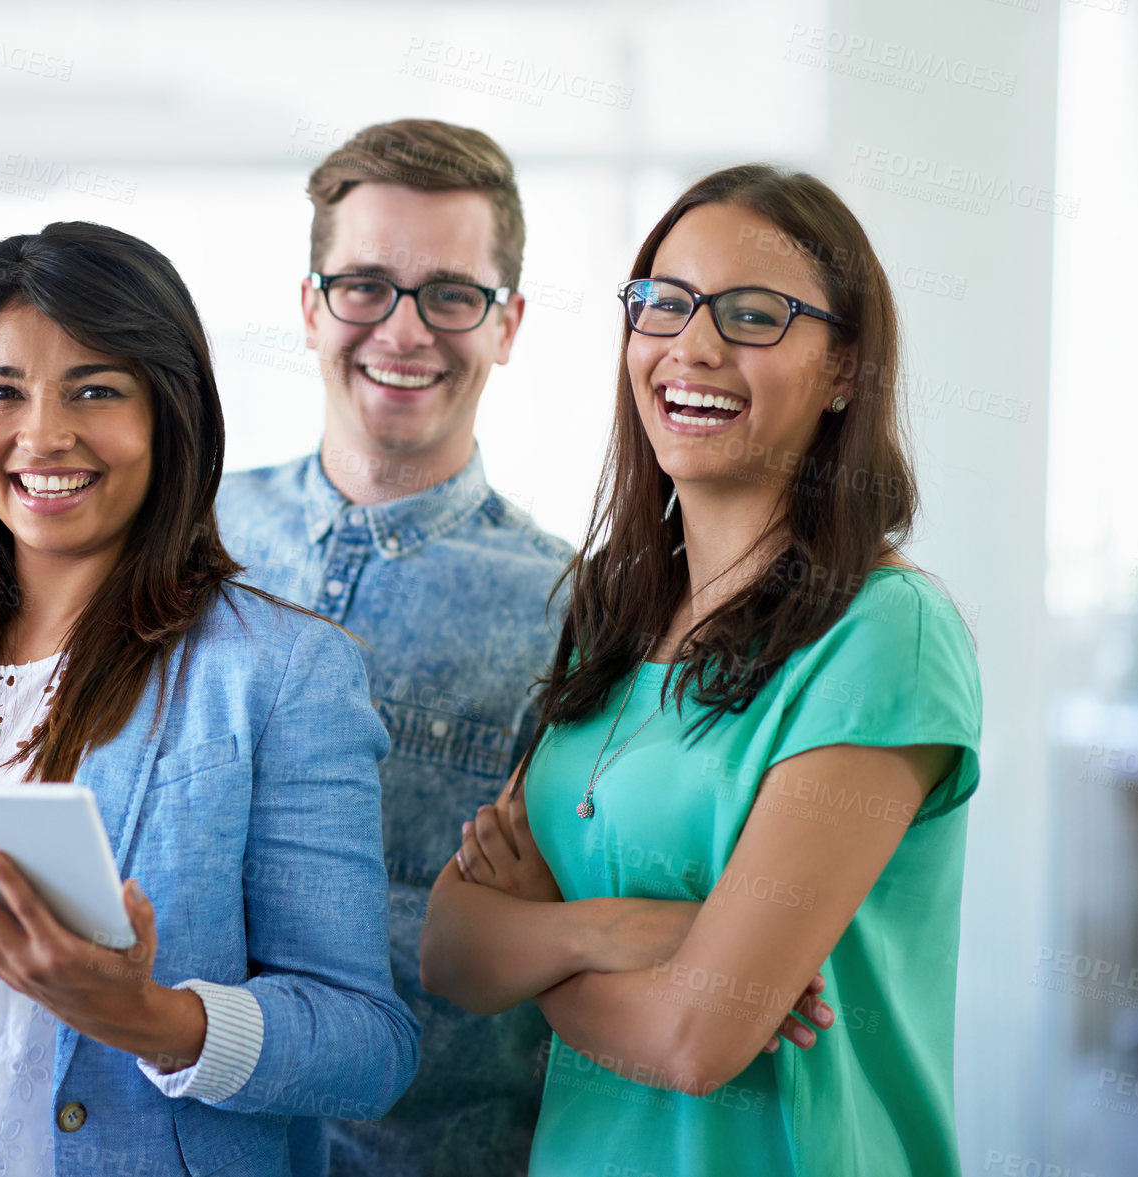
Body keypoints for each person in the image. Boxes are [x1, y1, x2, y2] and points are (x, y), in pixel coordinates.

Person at [0, 221, 419, 1177]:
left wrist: (150, 1019)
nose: (42, 435)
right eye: (1, 393)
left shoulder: (278, 672)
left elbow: (367, 1050)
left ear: (169, 412)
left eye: (93, 390)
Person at [420, 164, 982, 1175]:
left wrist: (539, 946)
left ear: (845, 368)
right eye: (662, 304)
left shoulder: (883, 635)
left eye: (753, 315)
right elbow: (451, 952)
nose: (692, 346)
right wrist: (628, 929)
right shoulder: (613, 612)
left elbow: (694, 1041)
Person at [216, 118, 572, 1175]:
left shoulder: (576, 609)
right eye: (363, 283)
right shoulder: (184, 546)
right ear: (308, 307)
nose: (403, 331)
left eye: (450, 294)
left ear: (506, 324)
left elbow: (570, 926)